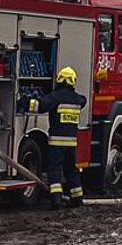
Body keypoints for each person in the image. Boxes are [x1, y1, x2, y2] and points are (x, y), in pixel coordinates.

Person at [20, 66, 86, 207]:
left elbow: (40, 106)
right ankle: (77, 199)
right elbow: (84, 100)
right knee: (71, 170)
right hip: (71, 143)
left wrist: (24, 102)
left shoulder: (55, 97)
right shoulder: (77, 99)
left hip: (57, 142)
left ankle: (56, 200)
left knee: (55, 170)